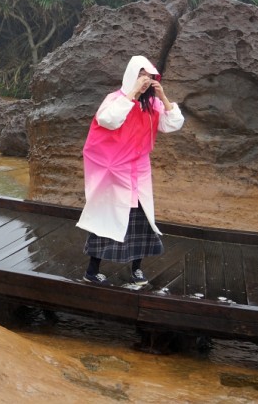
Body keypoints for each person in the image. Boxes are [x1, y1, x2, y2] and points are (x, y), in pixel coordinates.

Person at [77, 55, 184, 287]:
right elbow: (108, 120)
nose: (145, 81)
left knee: (140, 222)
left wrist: (162, 97)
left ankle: (137, 269)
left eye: (149, 77)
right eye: (141, 76)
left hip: (139, 171)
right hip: (115, 171)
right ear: (131, 76)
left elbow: (173, 124)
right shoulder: (115, 99)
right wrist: (131, 93)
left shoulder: (152, 105)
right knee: (106, 220)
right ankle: (92, 270)